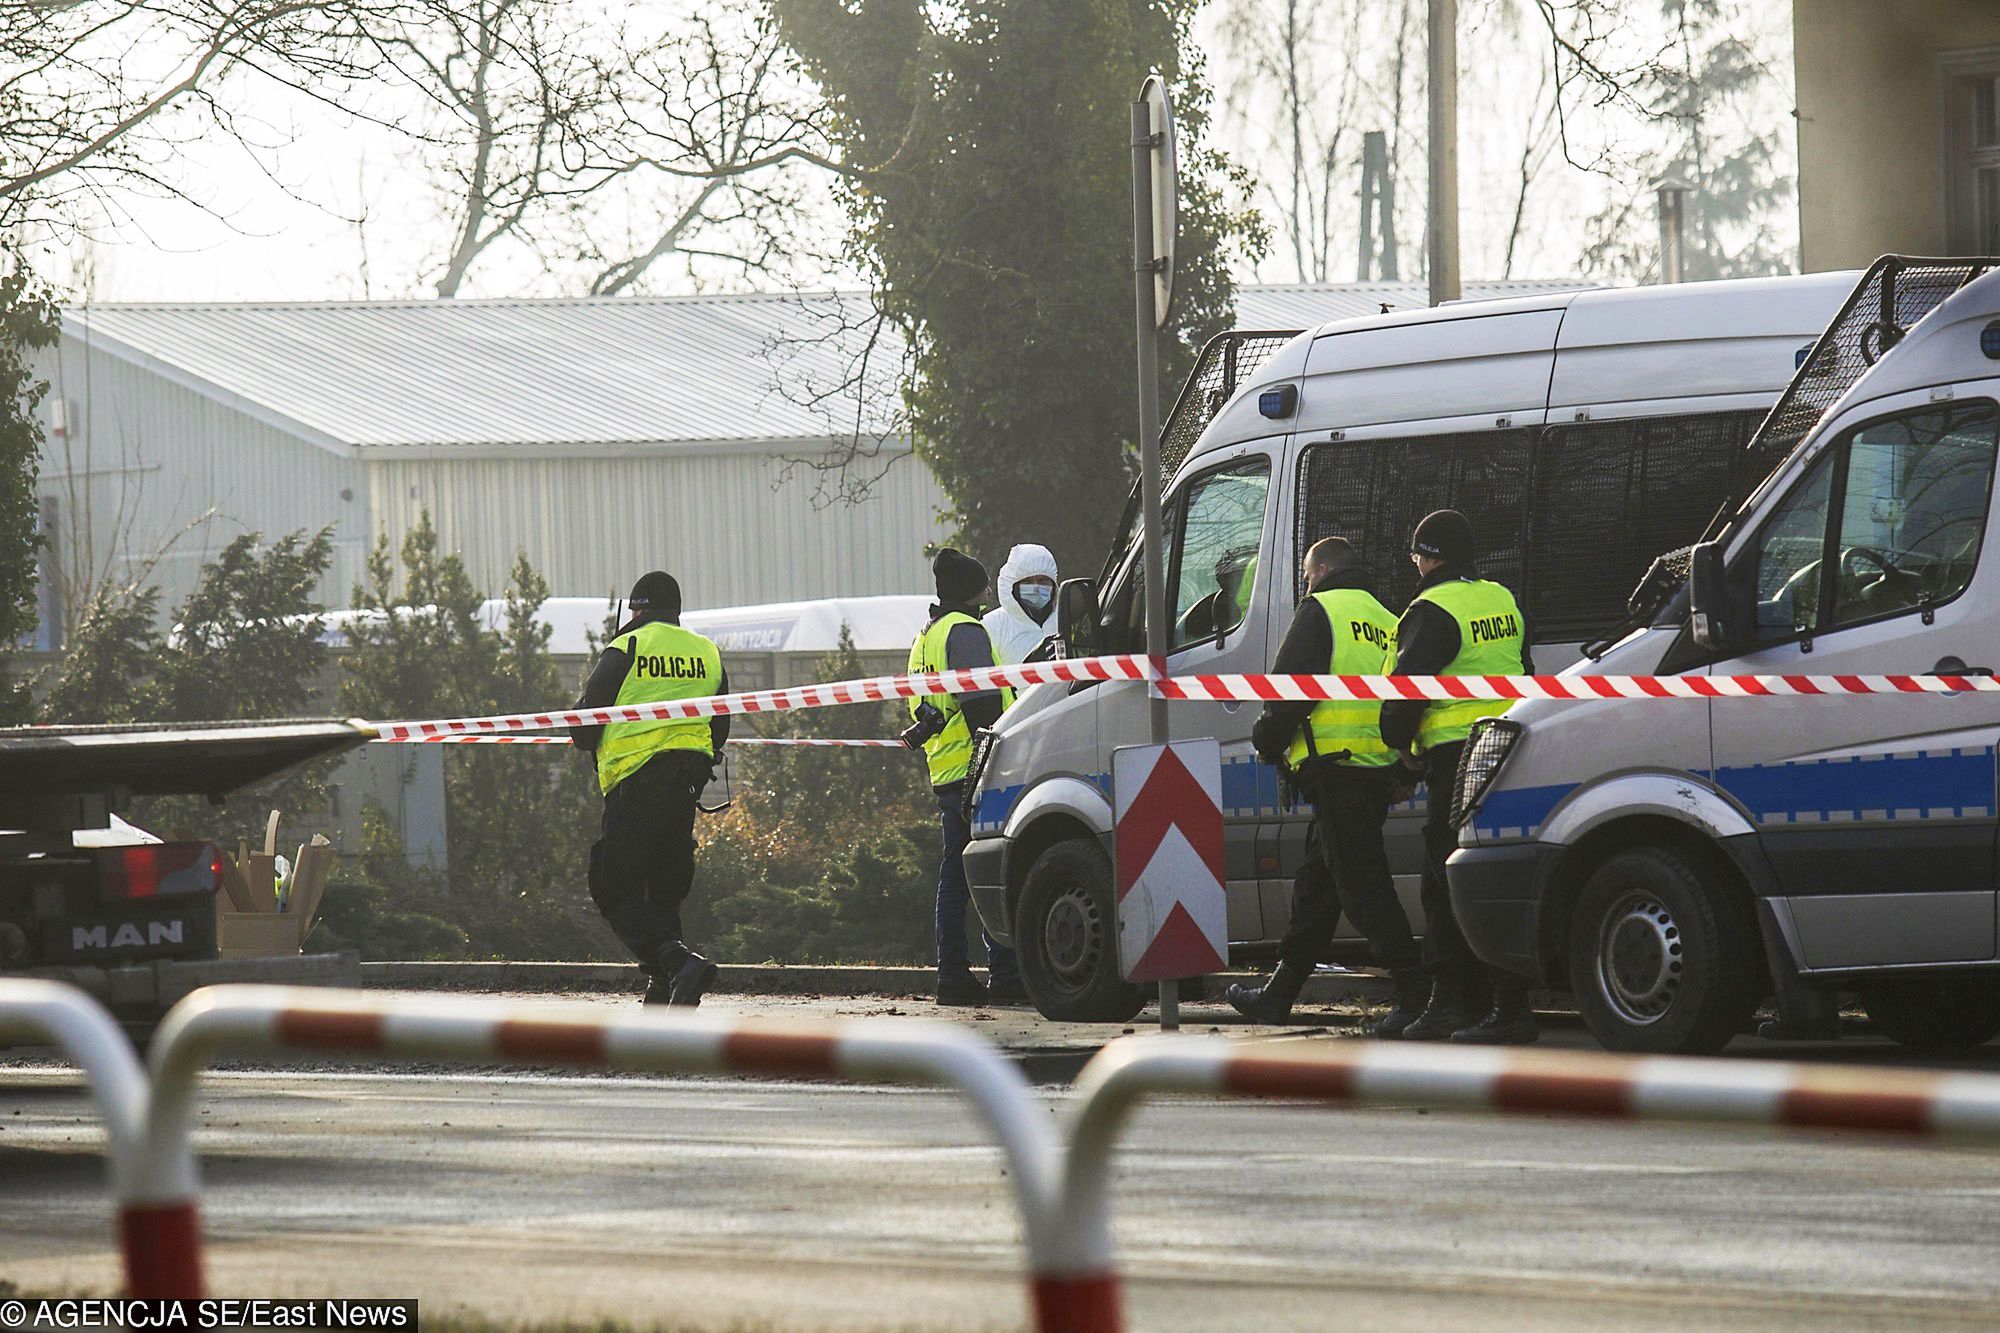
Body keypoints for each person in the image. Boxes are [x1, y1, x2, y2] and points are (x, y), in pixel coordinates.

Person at [1233, 537, 1425, 1035]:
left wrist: (1266, 739)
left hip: (1335, 770)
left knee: (1363, 889)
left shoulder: (1320, 611)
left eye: (1305, 575)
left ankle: (1415, 992)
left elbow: (1288, 692)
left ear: (1319, 570)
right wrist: (1403, 771)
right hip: (1375, 772)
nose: (1305, 583)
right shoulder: (1388, 619)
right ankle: (1280, 994)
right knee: (1317, 890)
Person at [1379, 510, 1537, 1045]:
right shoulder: (1500, 599)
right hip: (1512, 746)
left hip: (1457, 755)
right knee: (1495, 872)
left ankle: (1450, 1004)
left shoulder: (1432, 608)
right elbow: (1526, 671)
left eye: (1417, 555)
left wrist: (1401, 746)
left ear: (1430, 556)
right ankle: (1508, 1004)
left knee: (1442, 876)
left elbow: (1406, 690)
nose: (1415, 564)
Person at [570, 571, 728, 1007]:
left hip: (637, 781)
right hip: (687, 784)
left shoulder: (628, 646)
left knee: (612, 885)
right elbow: (722, 725)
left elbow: (584, 727)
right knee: (663, 888)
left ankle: (677, 965)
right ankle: (667, 990)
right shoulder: (707, 652)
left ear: (636, 609)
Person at [908, 548, 1025, 1006]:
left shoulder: (926, 637)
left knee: (956, 873)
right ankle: (1002, 974)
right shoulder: (967, 631)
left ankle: (954, 974)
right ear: (972, 590)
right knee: (983, 871)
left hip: (945, 768)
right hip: (979, 766)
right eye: (982, 585)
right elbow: (981, 704)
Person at [982, 543, 1059, 665]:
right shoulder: (992, 626)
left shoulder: (1065, 620)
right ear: (1012, 586)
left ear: (1053, 584)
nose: (1036, 587)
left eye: (1042, 580)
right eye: (1027, 581)